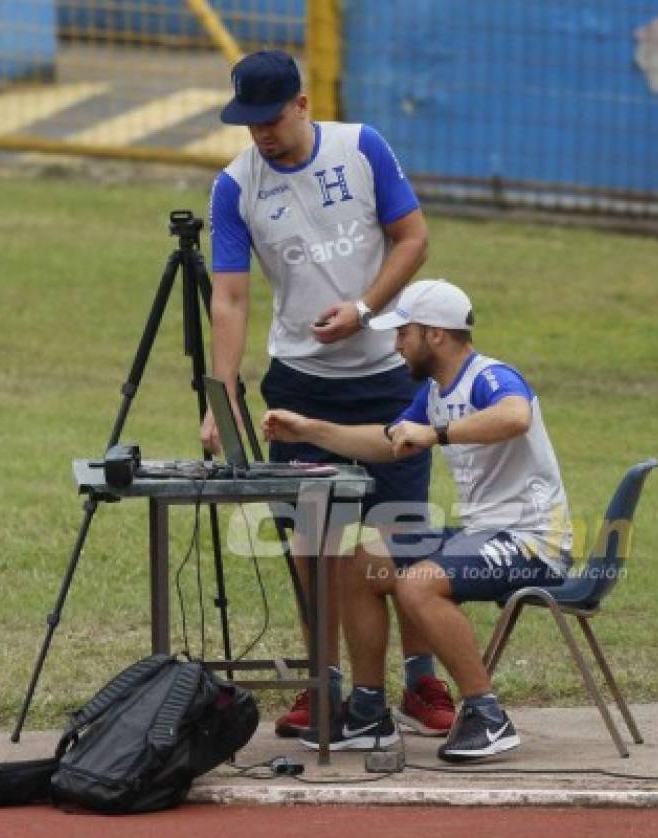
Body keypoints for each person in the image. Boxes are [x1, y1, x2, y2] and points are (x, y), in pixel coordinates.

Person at [202, 49, 454, 742]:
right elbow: (228, 297)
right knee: (313, 547)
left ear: (303, 104)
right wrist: (219, 396)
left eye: (271, 117)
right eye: (247, 120)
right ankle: (326, 685)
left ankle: (420, 677)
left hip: (386, 379)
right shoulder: (233, 186)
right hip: (299, 386)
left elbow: (414, 239)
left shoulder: (362, 147)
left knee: (401, 535)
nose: (260, 132)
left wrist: (366, 311)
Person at [263, 279, 574, 761]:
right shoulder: (434, 391)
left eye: (402, 333)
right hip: (484, 535)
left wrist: (436, 434)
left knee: (417, 585)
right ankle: (368, 713)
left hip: (533, 541)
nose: (395, 345)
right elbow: (386, 441)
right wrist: (310, 429)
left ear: (434, 335)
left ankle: (488, 716)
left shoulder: (491, 377)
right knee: (359, 563)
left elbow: (514, 417)